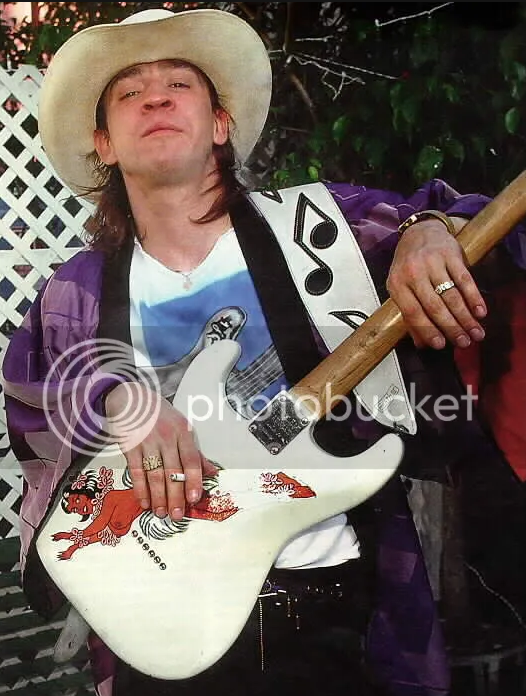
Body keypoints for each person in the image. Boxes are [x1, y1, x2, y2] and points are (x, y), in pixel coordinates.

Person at [2, 7, 525, 696]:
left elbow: (476, 226)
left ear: (221, 124)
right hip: (161, 623)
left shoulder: (324, 227)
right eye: (128, 92)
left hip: (336, 618)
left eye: (179, 84)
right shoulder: (73, 292)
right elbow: (34, 403)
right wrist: (115, 400)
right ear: (104, 143)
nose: (155, 98)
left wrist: (430, 232)